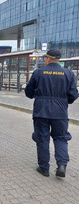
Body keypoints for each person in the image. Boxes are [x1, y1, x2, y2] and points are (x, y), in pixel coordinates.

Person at [25, 49, 78, 178]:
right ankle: (61, 165)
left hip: (41, 111)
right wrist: (64, 102)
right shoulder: (69, 74)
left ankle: (44, 168)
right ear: (58, 59)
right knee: (61, 138)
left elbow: (29, 92)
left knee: (42, 138)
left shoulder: (38, 72)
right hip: (60, 113)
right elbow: (73, 95)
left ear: (48, 59)